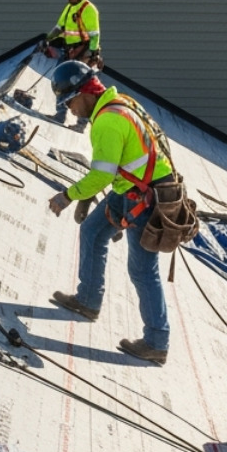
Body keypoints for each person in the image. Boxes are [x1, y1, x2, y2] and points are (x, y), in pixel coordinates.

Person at [45, 61, 172, 366]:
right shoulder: (118, 103)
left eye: (70, 102)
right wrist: (90, 198)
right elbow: (113, 167)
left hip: (145, 196)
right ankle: (88, 300)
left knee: (142, 270)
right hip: (133, 186)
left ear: (85, 93)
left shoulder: (107, 121)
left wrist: (67, 196)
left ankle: (157, 342)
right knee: (92, 230)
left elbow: (100, 176)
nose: (71, 110)